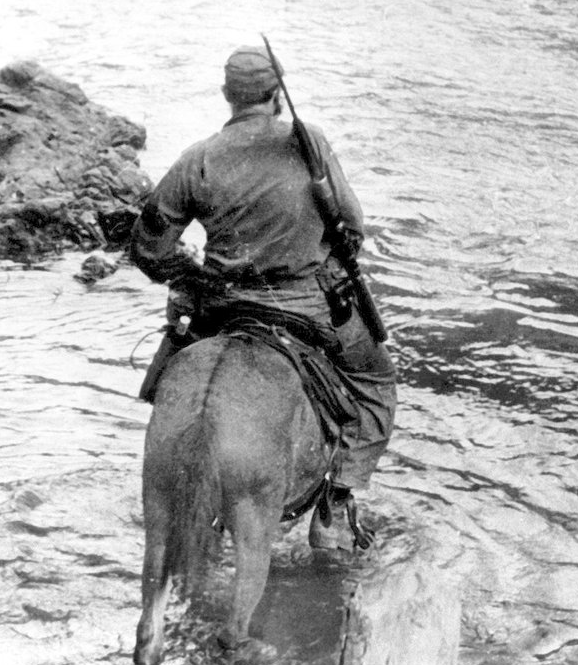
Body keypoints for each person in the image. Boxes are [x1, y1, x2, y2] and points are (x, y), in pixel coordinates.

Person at [128, 44, 396, 544]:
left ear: (227, 95)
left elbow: (147, 246)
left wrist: (191, 277)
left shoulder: (198, 157)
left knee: (173, 369)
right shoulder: (309, 143)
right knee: (375, 379)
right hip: (305, 306)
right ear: (276, 94)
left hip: (220, 307)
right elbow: (352, 227)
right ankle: (336, 503)